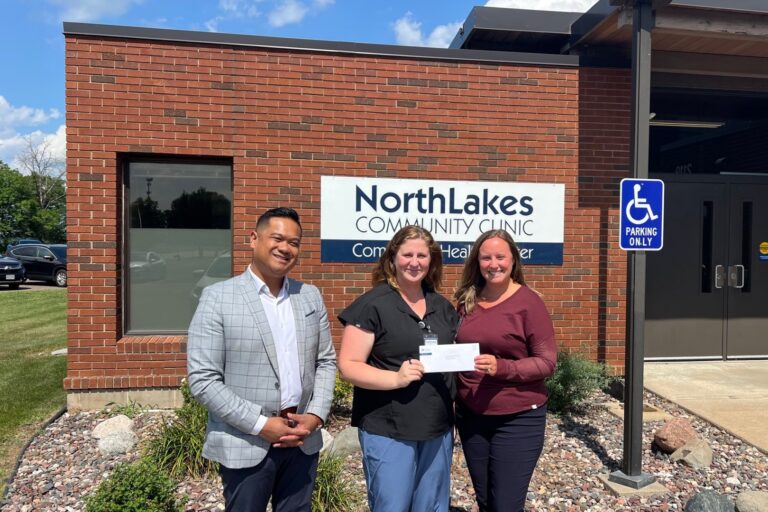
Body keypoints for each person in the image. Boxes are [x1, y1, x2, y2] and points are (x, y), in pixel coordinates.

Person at [187, 207, 336, 512]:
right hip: (246, 441)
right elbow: (203, 380)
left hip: (302, 439)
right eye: (277, 238)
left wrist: (317, 415)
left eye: (294, 242)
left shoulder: (309, 296)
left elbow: (326, 361)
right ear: (253, 239)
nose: (285, 248)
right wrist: (260, 424)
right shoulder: (218, 298)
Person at [337, 225, 458, 512]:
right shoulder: (372, 305)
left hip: (437, 427)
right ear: (392, 258)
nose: (414, 262)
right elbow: (348, 366)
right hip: (389, 428)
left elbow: (450, 363)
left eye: (422, 255)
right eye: (407, 254)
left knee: (432, 507)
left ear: (432, 261)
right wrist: (396, 378)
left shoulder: (442, 307)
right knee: (391, 505)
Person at [453, 229, 557, 512]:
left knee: (506, 505)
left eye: (500, 257)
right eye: (486, 257)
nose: (493, 264)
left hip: (518, 417)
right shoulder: (467, 300)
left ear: (513, 261)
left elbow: (547, 361)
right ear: (477, 262)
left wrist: (503, 367)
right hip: (472, 416)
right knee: (485, 501)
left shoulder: (529, 302)